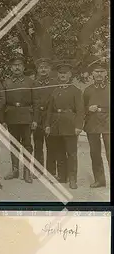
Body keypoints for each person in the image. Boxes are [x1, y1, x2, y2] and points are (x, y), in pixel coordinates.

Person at [44, 61, 84, 189]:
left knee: (71, 153)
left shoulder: (76, 91)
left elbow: (80, 110)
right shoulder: (54, 90)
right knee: (59, 152)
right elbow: (49, 110)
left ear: (70, 75)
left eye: (65, 73)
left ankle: (72, 178)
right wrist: (47, 125)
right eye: (60, 73)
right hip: (56, 125)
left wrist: (78, 126)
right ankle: (62, 176)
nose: (62, 76)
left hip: (70, 124)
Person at [3, 54, 38, 184]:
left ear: (23, 67)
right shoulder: (7, 82)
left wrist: (35, 119)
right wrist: (3, 120)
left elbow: (36, 102)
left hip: (26, 117)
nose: (17, 68)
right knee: (13, 144)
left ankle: (27, 171)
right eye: (14, 66)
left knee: (27, 145)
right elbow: (3, 102)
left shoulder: (30, 82)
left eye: (19, 65)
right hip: (11, 116)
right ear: (11, 68)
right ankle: (15, 170)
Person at [83, 58, 110, 188]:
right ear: (92, 74)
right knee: (95, 153)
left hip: (108, 124)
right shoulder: (87, 90)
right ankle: (100, 180)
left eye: (102, 71)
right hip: (92, 124)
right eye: (96, 71)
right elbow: (82, 109)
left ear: (106, 73)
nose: (99, 74)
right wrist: (88, 109)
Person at [32, 58, 58, 178]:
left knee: (51, 145)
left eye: (46, 67)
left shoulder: (55, 83)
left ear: (50, 69)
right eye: (41, 68)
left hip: (50, 118)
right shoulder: (34, 84)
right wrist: (34, 120)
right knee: (37, 145)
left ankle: (51, 171)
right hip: (37, 118)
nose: (43, 70)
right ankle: (38, 170)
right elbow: (33, 102)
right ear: (37, 70)